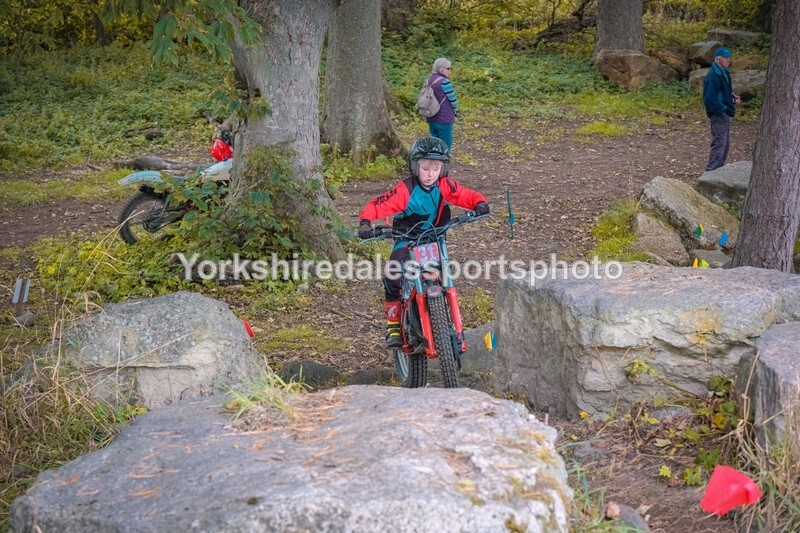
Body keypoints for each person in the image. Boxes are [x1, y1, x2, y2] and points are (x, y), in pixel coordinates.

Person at [358, 137, 489, 348]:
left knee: (443, 273)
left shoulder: (445, 185)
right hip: (406, 240)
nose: (429, 174)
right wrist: (365, 223)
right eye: (425, 168)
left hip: (435, 239)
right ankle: (393, 325)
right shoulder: (405, 190)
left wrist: (480, 203)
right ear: (415, 167)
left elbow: (466, 195)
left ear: (442, 169)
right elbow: (377, 205)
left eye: (435, 169)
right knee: (393, 274)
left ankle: (447, 322)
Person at [703, 47, 741, 171]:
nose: (728, 60)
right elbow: (709, 99)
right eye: (725, 57)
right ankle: (710, 174)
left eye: (729, 57)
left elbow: (724, 91)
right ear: (717, 59)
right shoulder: (713, 75)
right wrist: (721, 109)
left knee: (724, 146)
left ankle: (717, 172)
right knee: (719, 144)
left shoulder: (723, 71)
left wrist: (732, 97)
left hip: (724, 112)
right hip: (719, 114)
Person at [425, 58, 459, 150]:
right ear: (442, 69)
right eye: (448, 69)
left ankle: (434, 162)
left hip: (431, 116)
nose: (450, 71)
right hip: (444, 118)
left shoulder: (429, 80)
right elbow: (453, 100)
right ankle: (444, 162)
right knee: (445, 144)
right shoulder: (444, 82)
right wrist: (456, 110)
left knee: (435, 143)